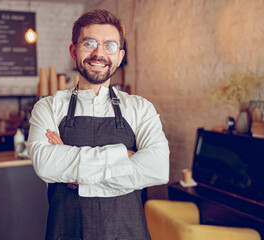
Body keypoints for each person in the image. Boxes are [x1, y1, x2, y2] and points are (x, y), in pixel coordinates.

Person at [27, 9, 169, 240]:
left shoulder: (140, 108)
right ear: (73, 51)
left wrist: (74, 175)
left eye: (109, 45)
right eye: (89, 43)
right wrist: (125, 156)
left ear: (120, 56)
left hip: (127, 232)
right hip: (67, 231)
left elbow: (157, 168)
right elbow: (45, 165)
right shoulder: (48, 108)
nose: (98, 53)